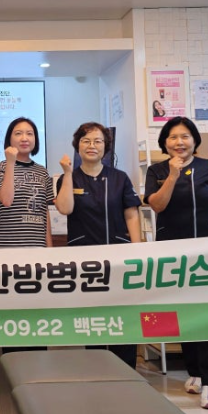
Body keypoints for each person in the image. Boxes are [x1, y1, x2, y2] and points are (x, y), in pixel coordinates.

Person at [144, 117, 208, 410]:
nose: (179, 142)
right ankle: (195, 371)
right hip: (173, 253)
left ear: (195, 140)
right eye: (173, 137)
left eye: (185, 136)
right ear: (164, 142)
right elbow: (156, 205)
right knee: (182, 313)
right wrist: (173, 175)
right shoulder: (157, 171)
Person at [54, 122, 141, 368]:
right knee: (92, 318)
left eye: (98, 141)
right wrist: (68, 173)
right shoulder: (69, 178)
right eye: (86, 141)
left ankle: (126, 371)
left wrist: (138, 250)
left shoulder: (119, 178)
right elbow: (65, 208)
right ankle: (97, 369)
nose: (92, 145)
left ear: (106, 146)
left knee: (122, 315)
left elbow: (131, 214)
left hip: (119, 258)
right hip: (85, 261)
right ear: (77, 146)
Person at [0, 117, 53, 353]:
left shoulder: (42, 171)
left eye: (29, 133)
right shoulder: (0, 167)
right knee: (12, 314)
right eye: (18, 133)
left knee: (37, 313)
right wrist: (10, 162)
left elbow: (45, 211)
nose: (24, 138)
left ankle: (38, 364)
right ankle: (12, 364)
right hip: (8, 251)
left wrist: (49, 250)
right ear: (9, 138)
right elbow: (6, 200)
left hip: (37, 252)